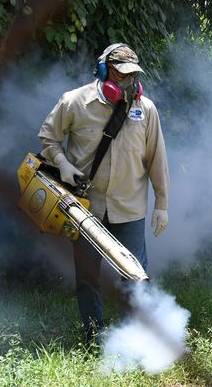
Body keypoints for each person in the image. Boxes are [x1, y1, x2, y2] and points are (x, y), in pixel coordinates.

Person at [38, 43, 169, 345]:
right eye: (120, 73)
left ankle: (133, 340)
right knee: (88, 277)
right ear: (102, 70)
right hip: (84, 208)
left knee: (134, 277)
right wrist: (62, 163)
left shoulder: (146, 110)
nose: (127, 81)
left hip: (129, 208)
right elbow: (48, 136)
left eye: (132, 74)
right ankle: (93, 336)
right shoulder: (74, 102)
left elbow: (157, 159)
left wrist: (162, 204)